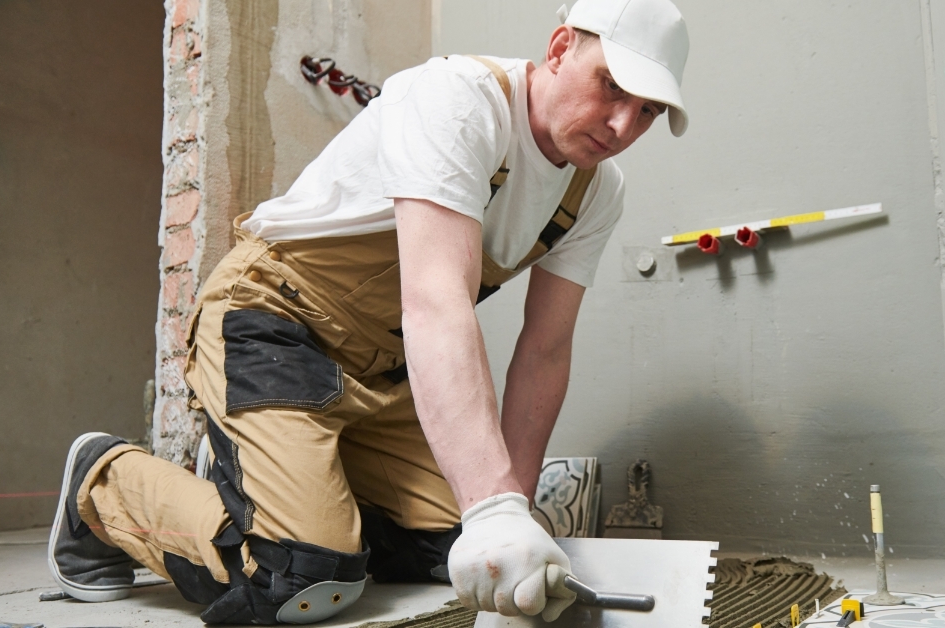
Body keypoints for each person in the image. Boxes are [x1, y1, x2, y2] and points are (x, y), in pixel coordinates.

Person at [47, 0, 689, 623]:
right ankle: (103, 485)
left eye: (649, 111)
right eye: (612, 87)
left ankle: (280, 475)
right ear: (559, 50)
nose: (622, 127)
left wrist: (508, 517)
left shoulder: (596, 192)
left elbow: (546, 349)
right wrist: (492, 507)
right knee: (302, 577)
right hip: (274, 322)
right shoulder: (458, 102)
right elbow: (437, 304)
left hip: (381, 368)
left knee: (453, 550)